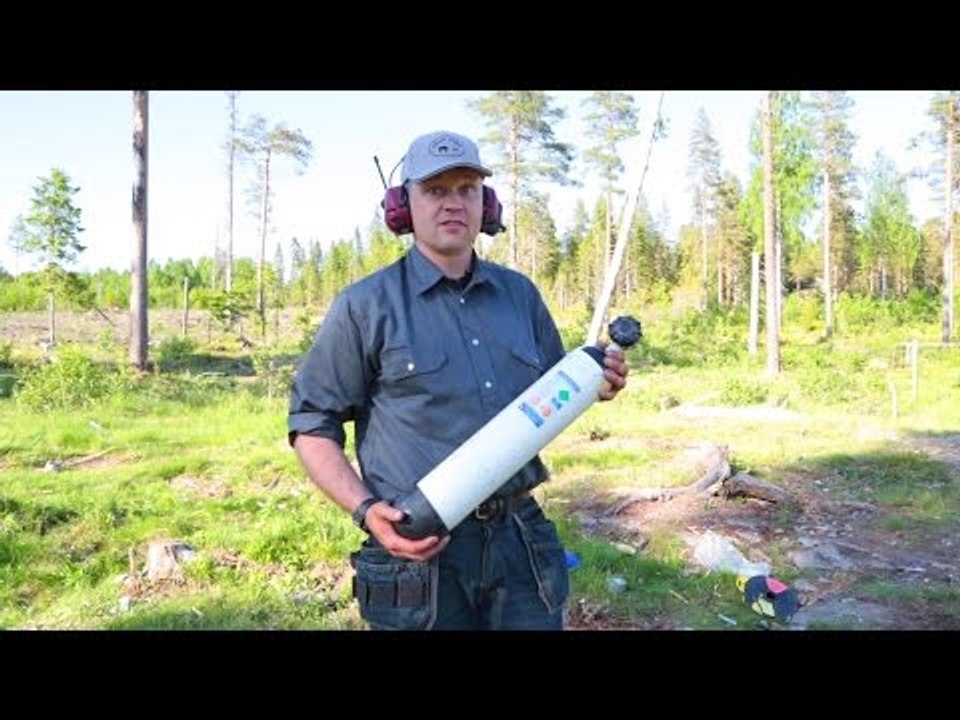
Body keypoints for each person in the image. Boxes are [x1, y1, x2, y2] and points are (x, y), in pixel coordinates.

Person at [288, 130, 629, 630]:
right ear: (403, 205)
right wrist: (366, 510)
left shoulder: (520, 296)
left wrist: (596, 384)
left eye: (467, 188)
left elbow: (552, 396)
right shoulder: (365, 306)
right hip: (419, 548)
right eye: (435, 190)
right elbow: (311, 424)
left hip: (520, 539)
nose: (453, 203)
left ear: (485, 203)